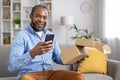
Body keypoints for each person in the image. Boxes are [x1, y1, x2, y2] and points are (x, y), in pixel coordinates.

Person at [8, 5, 85, 80]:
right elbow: (12, 66)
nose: (41, 20)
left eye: (44, 17)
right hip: (30, 74)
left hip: (50, 74)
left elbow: (57, 58)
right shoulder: (21, 36)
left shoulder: (51, 35)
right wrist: (32, 53)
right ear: (31, 16)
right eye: (38, 16)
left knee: (78, 76)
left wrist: (74, 59)